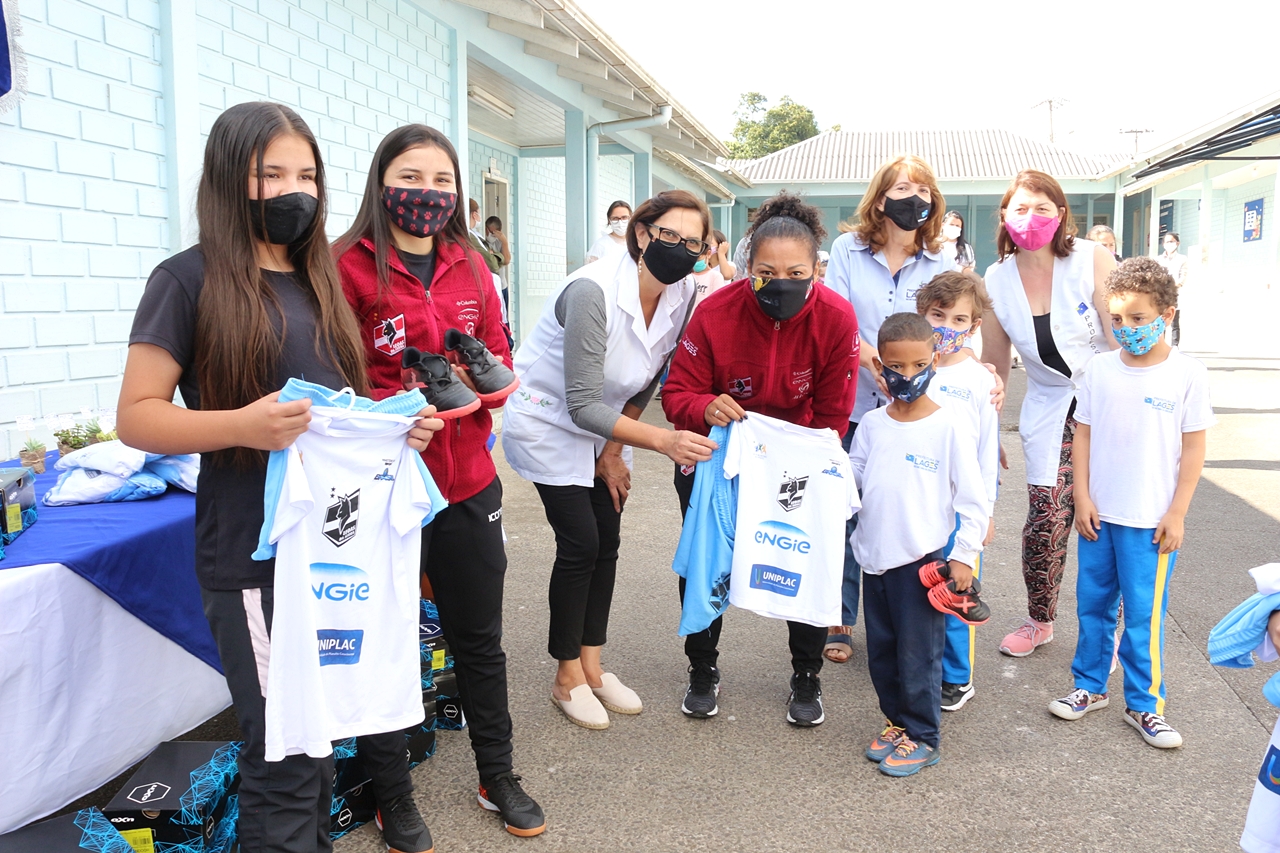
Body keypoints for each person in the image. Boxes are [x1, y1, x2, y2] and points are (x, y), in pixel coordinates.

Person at [117, 102, 442, 853]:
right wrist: (240, 423)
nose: (294, 189)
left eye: (307, 174)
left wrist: (395, 427)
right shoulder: (186, 280)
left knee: (317, 746)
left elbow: (332, 403)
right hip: (252, 561)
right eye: (272, 174)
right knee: (286, 758)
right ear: (233, 180)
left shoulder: (317, 277)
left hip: (329, 554)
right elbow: (136, 416)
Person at [335, 124, 546, 841]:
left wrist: (475, 387)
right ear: (381, 181)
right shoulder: (345, 267)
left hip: (467, 483)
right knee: (388, 638)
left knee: (478, 638)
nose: (428, 192)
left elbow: (498, 361)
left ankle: (499, 773)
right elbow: (332, 381)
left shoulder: (470, 263)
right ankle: (391, 791)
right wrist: (394, 406)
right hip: (383, 488)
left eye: (442, 180)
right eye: (411, 176)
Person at [502, 190, 718, 730]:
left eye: (695, 242)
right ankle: (565, 676)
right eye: (671, 236)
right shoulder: (592, 291)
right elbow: (580, 402)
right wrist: (662, 441)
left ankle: (593, 667)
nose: (684, 250)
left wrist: (615, 451)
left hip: (603, 427)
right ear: (642, 234)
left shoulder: (683, 291)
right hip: (547, 419)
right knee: (581, 542)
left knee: (609, 536)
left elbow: (645, 377)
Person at [662, 191, 858, 725]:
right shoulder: (716, 312)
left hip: (794, 467)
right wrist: (707, 404)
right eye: (767, 272)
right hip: (721, 459)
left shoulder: (838, 319)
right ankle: (702, 669)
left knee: (802, 559)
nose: (782, 282)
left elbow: (834, 416)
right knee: (706, 562)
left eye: (797, 271)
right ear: (747, 267)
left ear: (817, 268)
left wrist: (781, 455)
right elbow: (678, 394)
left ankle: (806, 676)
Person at [1047, 257, 1213, 748]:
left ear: (1168, 313)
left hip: (1152, 523)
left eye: (1138, 318)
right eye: (1117, 319)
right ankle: (1089, 686)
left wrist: (1177, 511)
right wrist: (1081, 497)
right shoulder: (1099, 370)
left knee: (1143, 614)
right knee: (1093, 606)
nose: (1127, 329)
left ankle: (1145, 705)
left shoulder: (1187, 374)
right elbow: (1083, 433)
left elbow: (1195, 448)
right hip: (1101, 514)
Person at [821, 155, 953, 664]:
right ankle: (839, 615)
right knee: (845, 509)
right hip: (855, 402)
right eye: (902, 188)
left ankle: (903, 618)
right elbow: (835, 317)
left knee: (902, 508)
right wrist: (869, 356)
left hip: (914, 412)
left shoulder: (941, 260)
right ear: (880, 199)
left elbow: (950, 326)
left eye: (923, 189)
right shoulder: (848, 250)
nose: (914, 198)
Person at [980, 169, 1118, 658]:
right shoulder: (994, 280)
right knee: (1047, 514)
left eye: (1043, 207)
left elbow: (1119, 337)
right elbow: (994, 364)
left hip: (1107, 401)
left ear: (1061, 215)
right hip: (1049, 403)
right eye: (1021, 207)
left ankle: (1112, 626)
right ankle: (1041, 619)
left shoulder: (1091, 260)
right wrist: (985, 429)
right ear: (1005, 216)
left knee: (1112, 518)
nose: (1032, 217)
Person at [849, 312, 987, 777]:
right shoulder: (870, 424)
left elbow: (973, 498)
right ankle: (897, 722)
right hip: (874, 559)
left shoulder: (949, 427)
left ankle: (924, 736)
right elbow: (855, 478)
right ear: (880, 365)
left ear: (934, 360)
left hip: (922, 563)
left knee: (918, 656)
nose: (907, 376)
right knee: (884, 653)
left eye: (918, 365)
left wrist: (963, 556)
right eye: (896, 366)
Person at [915, 271, 1000, 711]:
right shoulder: (911, 370)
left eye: (959, 318)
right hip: (916, 504)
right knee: (917, 588)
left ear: (974, 326)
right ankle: (921, 665)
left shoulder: (980, 380)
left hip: (960, 508)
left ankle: (957, 676)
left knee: (956, 591)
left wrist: (983, 513)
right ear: (921, 315)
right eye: (937, 315)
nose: (947, 326)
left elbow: (988, 452)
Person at [1155, 232, 1188, 346]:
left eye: (1172, 241)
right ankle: (1161, 344)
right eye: (1167, 242)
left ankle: (1175, 346)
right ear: (1163, 244)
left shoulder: (1182, 259)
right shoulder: (1158, 259)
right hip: (1161, 294)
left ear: (1177, 243)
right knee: (1161, 320)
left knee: (1174, 322)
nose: (1170, 244)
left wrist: (1172, 286)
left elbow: (1183, 277)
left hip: (1175, 293)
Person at [689, 229, 731, 312]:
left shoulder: (716, 275)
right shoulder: (688, 275)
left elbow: (727, 275)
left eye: (710, 243)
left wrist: (721, 253)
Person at [584, 199, 632, 264]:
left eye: (624, 217)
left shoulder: (638, 243)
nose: (620, 222)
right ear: (609, 220)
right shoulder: (600, 245)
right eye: (615, 218)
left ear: (631, 218)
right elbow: (589, 271)